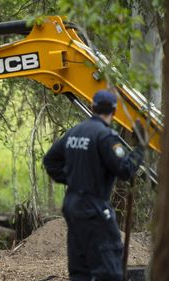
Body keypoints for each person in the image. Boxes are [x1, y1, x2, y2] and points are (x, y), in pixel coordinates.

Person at [43, 90, 145, 281]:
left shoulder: (74, 132)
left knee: (80, 270)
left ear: (92, 107)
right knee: (110, 270)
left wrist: (73, 179)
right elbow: (125, 170)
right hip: (94, 208)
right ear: (114, 111)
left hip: (72, 206)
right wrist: (140, 149)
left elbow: (50, 161)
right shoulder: (106, 137)